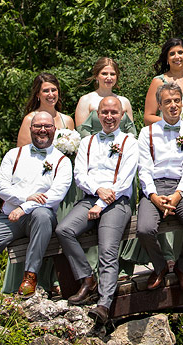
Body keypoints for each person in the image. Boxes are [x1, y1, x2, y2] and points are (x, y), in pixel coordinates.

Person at [55, 94, 139, 327]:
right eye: (105, 112)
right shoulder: (88, 142)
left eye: (114, 113)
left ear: (122, 115)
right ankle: (87, 279)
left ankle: (104, 304)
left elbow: (125, 180)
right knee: (64, 230)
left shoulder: (130, 142)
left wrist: (102, 204)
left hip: (117, 202)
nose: (109, 117)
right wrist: (97, 193)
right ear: (98, 115)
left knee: (107, 249)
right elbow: (80, 174)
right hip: (91, 197)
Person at [0, 111, 72, 305]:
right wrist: (24, 198)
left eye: (47, 126)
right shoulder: (14, 155)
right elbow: (0, 187)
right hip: (8, 216)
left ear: (55, 130)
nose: (42, 130)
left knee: (44, 216)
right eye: (37, 126)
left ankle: (30, 275)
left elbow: (55, 196)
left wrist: (25, 207)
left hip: (38, 216)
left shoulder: (62, 161)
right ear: (31, 129)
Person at [137, 84, 183, 299]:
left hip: (180, 188)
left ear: (182, 102)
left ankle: (182, 268)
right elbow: (144, 169)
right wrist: (154, 197)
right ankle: (160, 267)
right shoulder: (146, 132)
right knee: (145, 229)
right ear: (159, 105)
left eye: (176, 100)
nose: (173, 105)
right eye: (167, 101)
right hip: (154, 188)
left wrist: (177, 195)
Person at [144, 37, 183, 125]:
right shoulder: (158, 82)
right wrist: (174, 122)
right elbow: (148, 118)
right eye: (172, 54)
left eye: (180, 52)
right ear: (167, 58)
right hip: (166, 135)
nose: (176, 57)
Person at [75, 58, 134, 137]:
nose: (109, 77)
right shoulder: (86, 100)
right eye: (104, 73)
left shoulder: (125, 101)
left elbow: (131, 131)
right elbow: (82, 132)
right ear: (96, 76)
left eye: (112, 74)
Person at [16, 73, 74, 146]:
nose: (51, 94)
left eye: (53, 90)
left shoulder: (67, 120)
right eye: (46, 91)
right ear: (37, 94)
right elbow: (21, 151)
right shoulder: (29, 120)